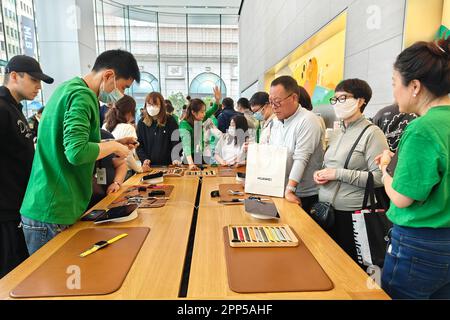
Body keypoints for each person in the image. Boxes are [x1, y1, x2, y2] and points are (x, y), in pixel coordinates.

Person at [20, 49, 140, 255]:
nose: (122, 95)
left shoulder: (68, 88)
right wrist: (113, 146)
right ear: (109, 75)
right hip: (53, 208)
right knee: (55, 283)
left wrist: (115, 141)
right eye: (123, 87)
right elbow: (76, 152)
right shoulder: (83, 96)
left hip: (49, 205)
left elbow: (67, 142)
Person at [376, 38, 450, 300]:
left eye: (395, 83)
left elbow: (402, 197)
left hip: (419, 246)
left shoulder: (421, 128)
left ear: (415, 86)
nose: (394, 91)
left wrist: (386, 170)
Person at [313, 79, 389, 265]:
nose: (338, 103)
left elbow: (379, 177)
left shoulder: (372, 133)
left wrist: (337, 174)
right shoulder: (339, 132)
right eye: (335, 99)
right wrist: (321, 173)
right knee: (327, 264)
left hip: (352, 215)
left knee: (348, 268)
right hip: (326, 210)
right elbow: (330, 165)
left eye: (343, 98)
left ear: (361, 101)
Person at [0, 55, 54, 278]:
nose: (38, 87)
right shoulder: (2, 109)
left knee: (22, 273)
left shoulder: (15, 109)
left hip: (19, 207)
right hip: (5, 211)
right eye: (34, 80)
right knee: (10, 275)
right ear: (14, 76)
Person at [269, 76, 324, 213]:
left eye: (277, 102)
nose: (274, 107)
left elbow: (301, 158)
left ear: (293, 98)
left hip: (302, 194)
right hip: (281, 190)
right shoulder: (276, 122)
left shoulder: (308, 120)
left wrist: (290, 190)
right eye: (271, 102)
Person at [180, 87, 221, 169]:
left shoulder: (199, 119)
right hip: (189, 158)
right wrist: (191, 164)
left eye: (204, 111)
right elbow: (186, 145)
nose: (204, 114)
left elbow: (213, 110)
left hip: (199, 155)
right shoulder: (184, 124)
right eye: (202, 112)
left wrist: (217, 100)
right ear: (193, 112)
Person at [137, 92, 181, 168]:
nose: (152, 107)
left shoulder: (170, 120)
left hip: (169, 165)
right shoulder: (142, 123)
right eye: (149, 104)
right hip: (149, 167)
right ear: (145, 106)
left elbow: (176, 141)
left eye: (155, 104)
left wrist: (175, 157)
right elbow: (139, 145)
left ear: (161, 106)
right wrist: (144, 159)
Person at [103, 95, 143, 175]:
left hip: (106, 172)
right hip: (123, 172)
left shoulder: (105, 126)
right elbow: (128, 156)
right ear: (130, 112)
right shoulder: (129, 128)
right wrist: (140, 169)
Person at [89, 129, 128, 208]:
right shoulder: (78, 144)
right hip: (85, 203)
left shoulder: (106, 135)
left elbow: (121, 164)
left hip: (110, 198)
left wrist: (116, 183)